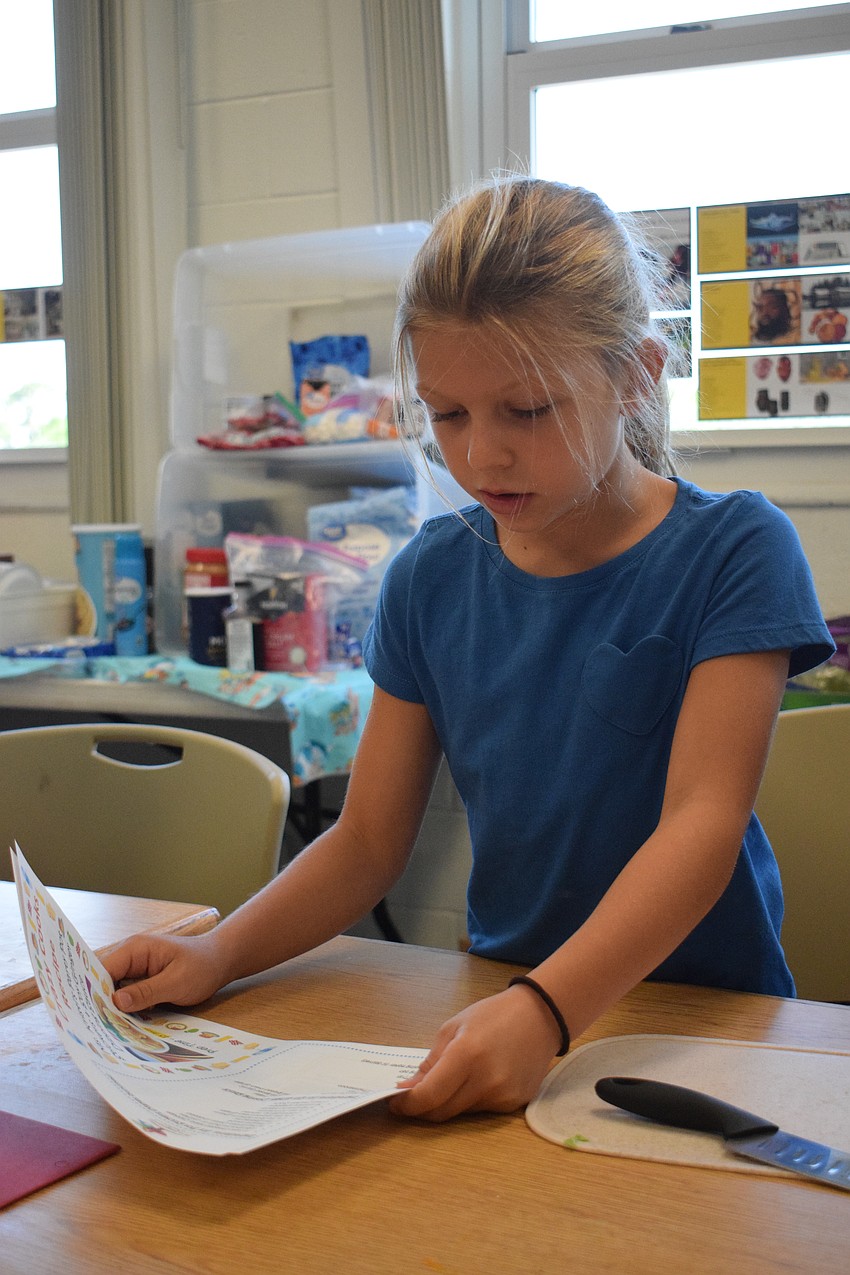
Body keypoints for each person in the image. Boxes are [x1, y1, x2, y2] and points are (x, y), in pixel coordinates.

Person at [104, 176, 834, 1123]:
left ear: (637, 374)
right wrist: (219, 949)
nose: (480, 456)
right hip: (501, 1004)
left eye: (527, 411)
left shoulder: (734, 549)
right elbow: (366, 840)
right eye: (447, 415)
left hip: (704, 1019)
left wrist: (546, 1007)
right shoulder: (430, 576)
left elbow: (700, 829)